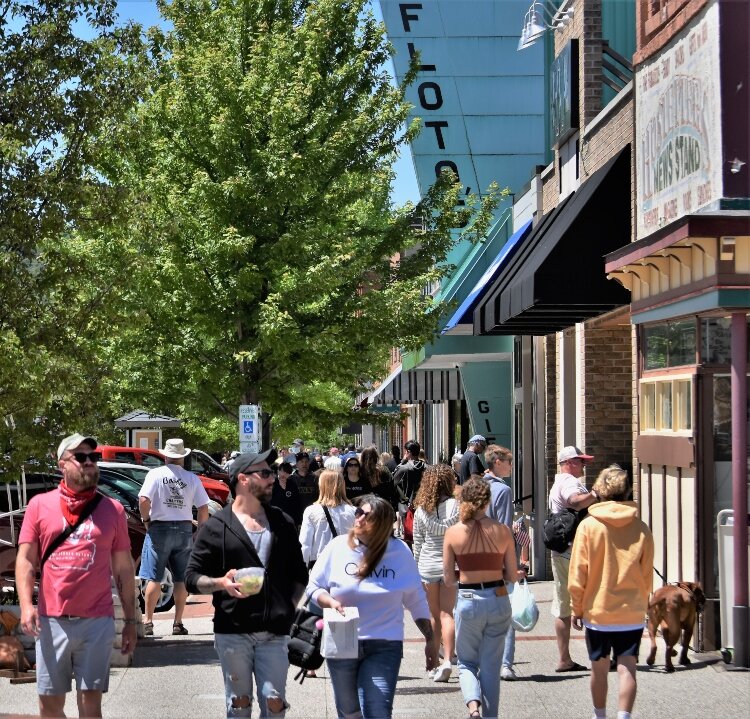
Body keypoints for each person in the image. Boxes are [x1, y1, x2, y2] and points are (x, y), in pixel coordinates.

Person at [16, 433, 137, 718]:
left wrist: (130, 620)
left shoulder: (113, 510)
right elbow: (25, 559)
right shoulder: (39, 505)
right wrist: (25, 606)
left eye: (93, 458)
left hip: (97, 621)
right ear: (62, 465)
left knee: (91, 704)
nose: (89, 463)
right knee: (49, 705)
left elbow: (123, 568)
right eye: (80, 457)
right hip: (51, 621)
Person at [185, 449, 307, 718]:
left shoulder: (281, 522)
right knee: (239, 704)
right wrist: (220, 583)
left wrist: (287, 607)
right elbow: (192, 578)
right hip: (233, 631)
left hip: (274, 632)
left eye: (271, 472)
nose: (272, 478)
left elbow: (299, 574)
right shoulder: (217, 526)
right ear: (243, 479)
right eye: (264, 473)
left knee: (274, 703)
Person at [307, 494, 436, 718]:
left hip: (385, 644)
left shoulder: (400, 552)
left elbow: (416, 599)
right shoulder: (337, 547)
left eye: (367, 515)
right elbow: (314, 586)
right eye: (358, 512)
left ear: (383, 524)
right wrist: (329, 601)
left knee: (378, 711)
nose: (359, 518)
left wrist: (431, 639)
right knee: (349, 712)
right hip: (342, 640)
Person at [569, 466, 654, 719]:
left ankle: (600, 715)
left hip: (599, 611)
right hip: (631, 611)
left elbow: (578, 574)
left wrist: (577, 607)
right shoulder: (640, 528)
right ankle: (624, 716)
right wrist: (643, 601)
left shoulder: (588, 526)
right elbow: (647, 573)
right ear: (627, 490)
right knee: (628, 667)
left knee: (599, 668)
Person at [443, 476, 520, 719]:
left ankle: (473, 707)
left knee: (466, 661)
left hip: (468, 596)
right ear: (487, 501)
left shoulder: (453, 533)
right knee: (491, 666)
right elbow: (512, 575)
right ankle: (490, 716)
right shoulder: (503, 531)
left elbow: (447, 579)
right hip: (498, 596)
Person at [138, 438, 209, 637]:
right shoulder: (191, 478)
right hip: (184, 529)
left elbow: (143, 499)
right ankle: (178, 622)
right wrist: (200, 531)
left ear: (165, 455)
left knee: (154, 576)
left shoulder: (155, 474)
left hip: (159, 527)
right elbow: (203, 507)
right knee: (180, 578)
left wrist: (146, 519)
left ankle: (148, 621)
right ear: (183, 456)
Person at [549, 445, 601, 673]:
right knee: (591, 601)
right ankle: (599, 657)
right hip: (575, 550)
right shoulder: (570, 482)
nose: (584, 466)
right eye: (580, 462)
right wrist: (595, 495)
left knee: (562, 604)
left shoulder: (557, 481)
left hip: (560, 549)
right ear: (569, 463)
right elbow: (576, 502)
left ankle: (564, 658)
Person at [412, 464, 459, 683]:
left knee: (432, 616)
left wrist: (414, 564)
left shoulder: (421, 509)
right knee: (447, 613)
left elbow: (418, 541)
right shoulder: (456, 507)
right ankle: (449, 659)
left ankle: (433, 665)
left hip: (427, 564)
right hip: (449, 565)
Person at [483, 444, 520, 681]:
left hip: (474, 557)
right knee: (505, 614)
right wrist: (511, 564)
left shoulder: (474, 486)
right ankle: (505, 663)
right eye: (508, 461)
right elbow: (505, 529)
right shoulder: (503, 491)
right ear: (497, 462)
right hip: (497, 558)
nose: (511, 466)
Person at [299, 470, 356, 569]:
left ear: (321, 486)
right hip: (347, 565)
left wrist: (302, 570)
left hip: (320, 566)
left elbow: (305, 544)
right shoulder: (353, 511)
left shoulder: (311, 511)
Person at [360, 446, 398, 513]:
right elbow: (392, 488)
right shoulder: (383, 470)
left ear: (362, 457)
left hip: (364, 506)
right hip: (382, 505)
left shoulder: (359, 472)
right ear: (376, 457)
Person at [392, 439, 426, 510]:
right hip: (422, 505)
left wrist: (403, 461)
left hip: (405, 507)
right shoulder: (426, 467)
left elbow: (393, 482)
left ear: (408, 452)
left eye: (405, 452)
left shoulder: (403, 468)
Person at [271, 462, 302, 528]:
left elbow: (297, 504)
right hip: (275, 519)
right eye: (282, 471)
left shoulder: (292, 485)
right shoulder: (272, 484)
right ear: (278, 471)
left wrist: (299, 522)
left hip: (291, 519)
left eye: (286, 472)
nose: (284, 474)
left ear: (290, 474)